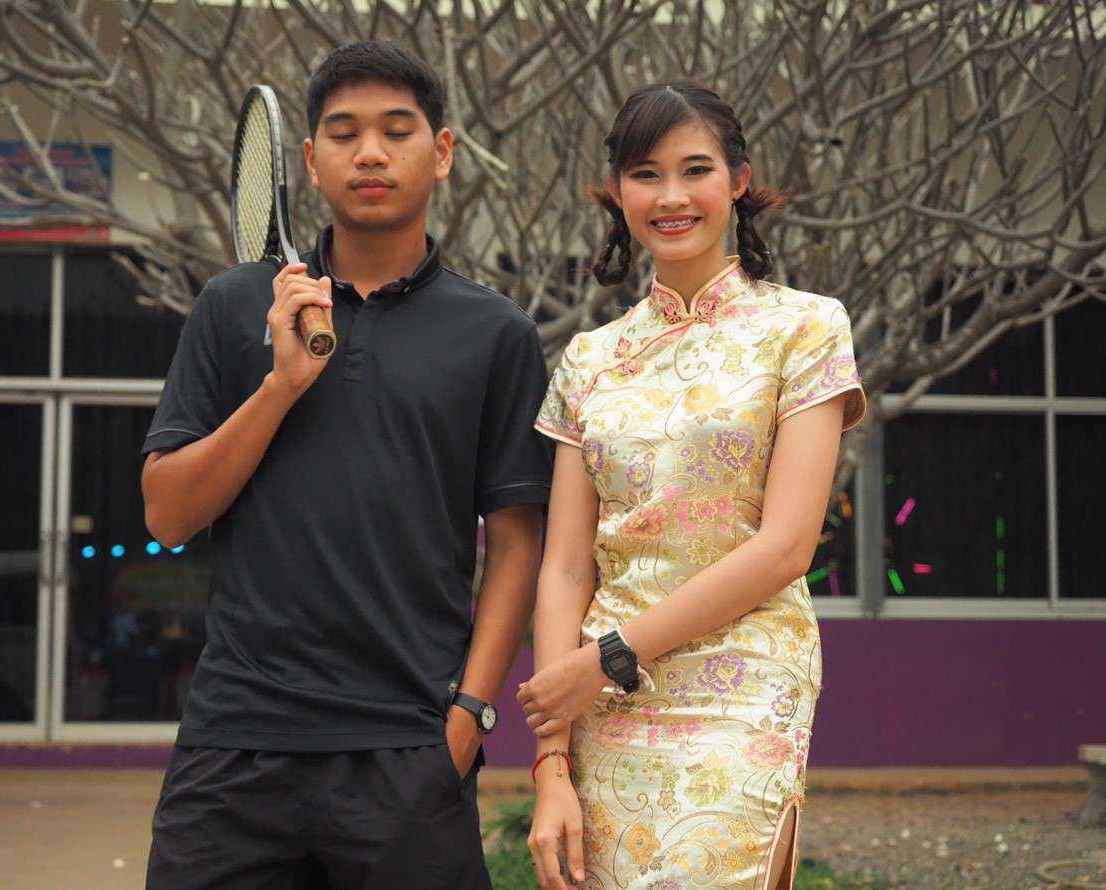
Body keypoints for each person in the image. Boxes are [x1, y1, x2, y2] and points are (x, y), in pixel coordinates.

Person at [141, 40, 551, 889]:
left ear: (441, 153)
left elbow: (517, 542)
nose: (370, 153)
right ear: (309, 161)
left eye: (397, 131)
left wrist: (470, 717)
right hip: (235, 746)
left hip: (408, 750)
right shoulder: (233, 306)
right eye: (344, 133)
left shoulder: (496, 334)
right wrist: (281, 385)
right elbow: (168, 515)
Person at [518, 80, 867, 890]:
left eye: (695, 170)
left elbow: (786, 547)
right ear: (618, 192)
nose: (671, 197)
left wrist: (608, 656)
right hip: (605, 703)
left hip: (744, 683)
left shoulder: (805, 327)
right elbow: (565, 567)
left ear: (738, 181)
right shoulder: (589, 360)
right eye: (646, 174)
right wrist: (551, 761)